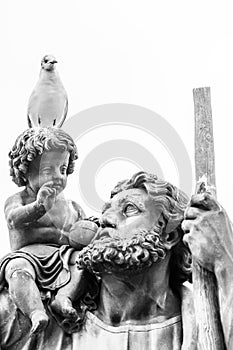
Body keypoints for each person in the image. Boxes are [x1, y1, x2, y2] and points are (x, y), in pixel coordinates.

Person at [1, 171, 233, 349]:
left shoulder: (203, 322)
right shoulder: (33, 314)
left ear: (169, 236)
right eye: (106, 210)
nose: (105, 220)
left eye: (129, 209)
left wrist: (225, 262)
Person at [0, 127, 96, 336]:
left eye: (62, 169)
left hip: (63, 256)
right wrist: (39, 207)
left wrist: (90, 231)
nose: (57, 177)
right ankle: (35, 312)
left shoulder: (73, 206)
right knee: (17, 269)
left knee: (84, 262)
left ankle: (64, 298)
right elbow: (13, 219)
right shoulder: (20, 200)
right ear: (24, 171)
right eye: (47, 171)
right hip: (28, 255)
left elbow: (85, 231)